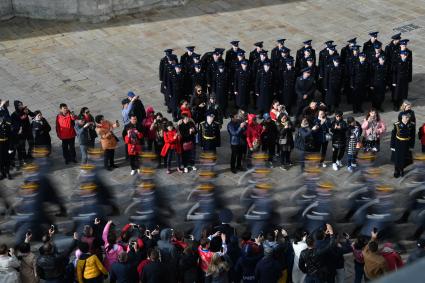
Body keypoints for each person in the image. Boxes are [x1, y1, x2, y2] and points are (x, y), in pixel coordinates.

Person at [391, 111, 415, 178]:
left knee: (404, 157)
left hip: (406, 143)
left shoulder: (411, 125)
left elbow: (412, 136)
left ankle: (401, 169)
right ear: (402, 117)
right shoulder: (397, 124)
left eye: (408, 117)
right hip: (398, 143)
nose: (407, 118)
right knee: (397, 157)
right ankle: (396, 170)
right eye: (406, 117)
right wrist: (392, 146)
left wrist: (411, 146)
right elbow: (393, 136)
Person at [11, 100, 35, 166]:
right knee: (22, 147)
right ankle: (24, 159)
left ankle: (29, 155)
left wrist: (28, 112)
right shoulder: (14, 115)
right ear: (16, 106)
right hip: (21, 133)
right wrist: (21, 118)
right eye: (20, 105)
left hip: (28, 130)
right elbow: (14, 125)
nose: (21, 106)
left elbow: (33, 115)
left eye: (22, 104)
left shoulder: (25, 110)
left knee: (31, 143)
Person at [0, 114, 12, 180]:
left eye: (1, 117)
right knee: (0, 159)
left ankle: (7, 172)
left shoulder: (7, 125)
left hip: (6, 143)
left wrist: (10, 147)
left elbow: (10, 136)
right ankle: (2, 173)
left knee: (7, 159)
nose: (1, 118)